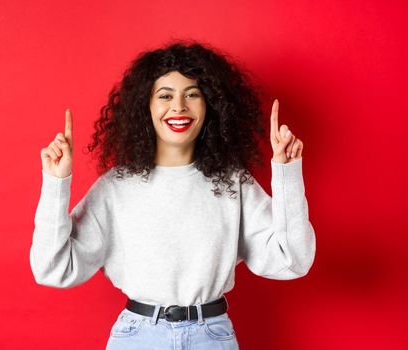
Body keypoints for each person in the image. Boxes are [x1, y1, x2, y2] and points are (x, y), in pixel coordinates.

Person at [29, 41, 316, 349]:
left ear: (210, 106)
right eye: (165, 95)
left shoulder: (234, 183)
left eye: (192, 94)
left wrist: (287, 173)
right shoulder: (116, 187)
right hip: (138, 337)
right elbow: (52, 269)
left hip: (212, 337)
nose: (179, 106)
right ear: (146, 107)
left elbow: (293, 260)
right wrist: (56, 183)